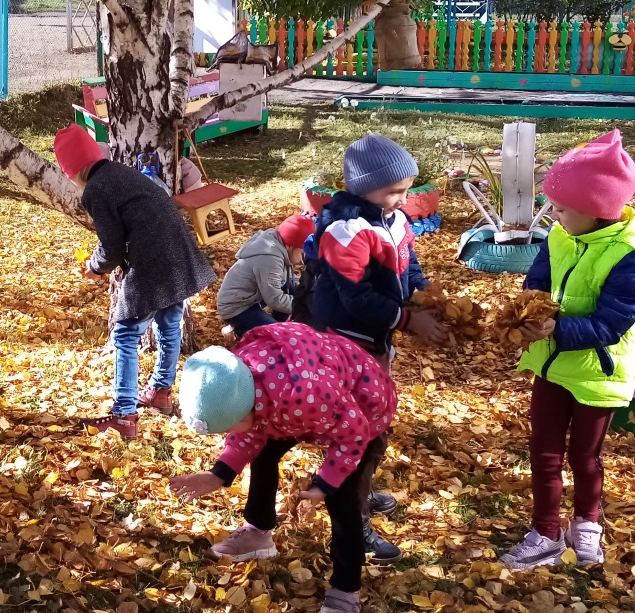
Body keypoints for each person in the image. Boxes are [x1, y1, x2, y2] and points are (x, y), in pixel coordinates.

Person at [499, 129, 635, 571]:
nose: (555, 213)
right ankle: (545, 532)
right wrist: (529, 311)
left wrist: (555, 329)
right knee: (544, 452)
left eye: (563, 207)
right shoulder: (560, 236)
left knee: (585, 457)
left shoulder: (632, 255)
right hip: (551, 367)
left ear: (596, 208)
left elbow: (611, 324)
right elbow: (537, 280)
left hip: (596, 374)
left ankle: (587, 523)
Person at [169, 323, 395, 613]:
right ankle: (258, 531)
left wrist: (324, 484)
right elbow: (248, 433)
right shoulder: (239, 380)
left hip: (366, 409)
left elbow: (354, 432)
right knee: (262, 452)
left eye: (229, 426)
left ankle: (346, 588)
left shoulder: (306, 395)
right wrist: (220, 474)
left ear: (248, 405)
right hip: (294, 402)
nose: (230, 433)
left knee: (343, 498)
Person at [54, 125, 217, 438]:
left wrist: (95, 267)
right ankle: (160, 391)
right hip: (178, 250)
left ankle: (124, 414)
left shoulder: (97, 189)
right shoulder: (120, 172)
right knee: (170, 324)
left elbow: (112, 245)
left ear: (72, 169)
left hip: (153, 259)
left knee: (126, 334)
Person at [308, 135, 448, 371]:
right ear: (365, 189)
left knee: (378, 393)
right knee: (355, 401)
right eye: (395, 192)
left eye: (407, 190)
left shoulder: (395, 219)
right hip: (344, 340)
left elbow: (407, 258)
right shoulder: (347, 231)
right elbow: (357, 297)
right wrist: (410, 320)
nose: (403, 200)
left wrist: (422, 290)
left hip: (378, 330)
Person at [217, 214, 314, 338]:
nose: (303, 259)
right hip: (238, 307)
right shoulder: (270, 259)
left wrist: (309, 295)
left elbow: (290, 281)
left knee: (289, 285)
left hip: (253, 297)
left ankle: (272, 322)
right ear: (290, 246)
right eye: (302, 253)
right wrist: (303, 307)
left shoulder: (279, 245)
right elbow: (275, 300)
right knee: (279, 336)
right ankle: (242, 329)